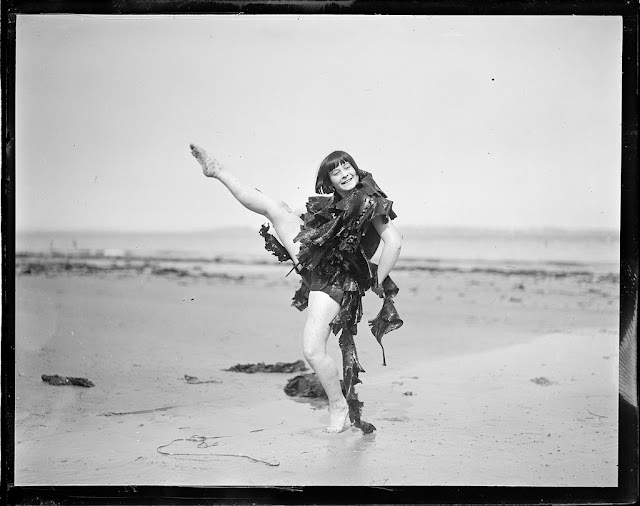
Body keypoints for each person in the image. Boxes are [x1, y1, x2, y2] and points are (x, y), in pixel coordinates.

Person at [190, 144, 403, 434]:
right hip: (314, 252)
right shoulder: (332, 205)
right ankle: (217, 171)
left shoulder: (370, 201)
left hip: (336, 280)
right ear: (328, 182)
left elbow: (394, 242)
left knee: (313, 351)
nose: (344, 173)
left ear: (356, 168)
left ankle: (338, 405)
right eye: (335, 170)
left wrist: (378, 279)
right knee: (273, 207)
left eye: (347, 166)